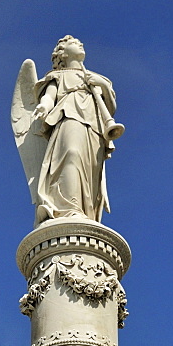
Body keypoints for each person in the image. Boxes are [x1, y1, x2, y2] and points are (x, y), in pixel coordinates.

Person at [33, 35, 123, 223]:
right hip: (68, 114)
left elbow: (110, 106)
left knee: (91, 168)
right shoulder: (57, 76)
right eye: (74, 44)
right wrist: (44, 105)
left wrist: (103, 85)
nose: (80, 44)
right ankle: (69, 208)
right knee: (71, 154)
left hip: (94, 125)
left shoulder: (97, 78)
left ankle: (85, 211)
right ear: (62, 54)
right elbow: (50, 96)